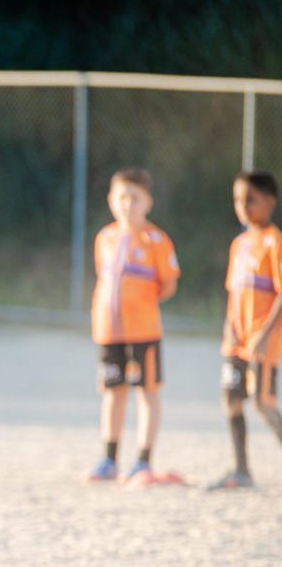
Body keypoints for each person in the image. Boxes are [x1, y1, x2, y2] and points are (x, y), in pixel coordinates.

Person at [86, 167, 180, 484]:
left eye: (135, 198)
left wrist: (140, 304)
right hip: (108, 331)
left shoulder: (157, 240)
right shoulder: (105, 238)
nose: (128, 204)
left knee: (147, 393)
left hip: (143, 331)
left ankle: (143, 461)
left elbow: (168, 285)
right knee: (113, 393)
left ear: (148, 202)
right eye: (122, 197)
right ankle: (109, 460)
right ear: (111, 200)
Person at [209, 171, 282, 489]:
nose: (242, 206)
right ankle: (241, 471)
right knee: (231, 400)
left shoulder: (274, 242)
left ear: (270, 203)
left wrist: (265, 332)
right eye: (238, 199)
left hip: (262, 340)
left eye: (250, 199)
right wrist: (229, 325)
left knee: (263, 404)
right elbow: (234, 290)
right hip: (236, 340)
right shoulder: (238, 244)